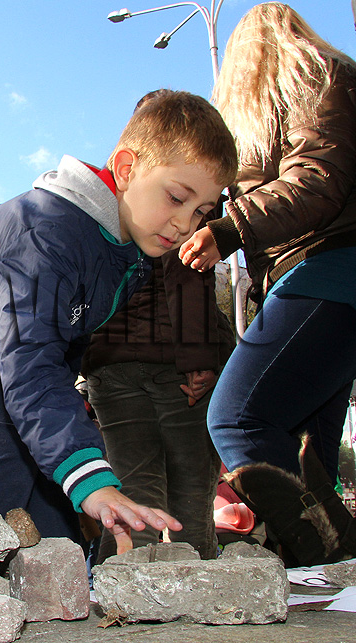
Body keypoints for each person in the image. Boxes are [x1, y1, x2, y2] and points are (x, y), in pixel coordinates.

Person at [0, 90, 238, 550]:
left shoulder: (132, 249)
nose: (186, 224)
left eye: (201, 211)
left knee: (51, 469)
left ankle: (60, 569)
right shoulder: (48, 236)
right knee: (6, 457)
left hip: (10, 340)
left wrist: (73, 451)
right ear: (126, 169)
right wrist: (91, 479)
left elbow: (72, 335)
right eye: (177, 198)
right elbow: (32, 364)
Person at [179, 3, 356, 566]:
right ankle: (331, 576)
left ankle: (325, 552)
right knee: (309, 457)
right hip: (318, 278)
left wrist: (229, 228)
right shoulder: (320, 86)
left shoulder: (314, 78)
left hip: (328, 268)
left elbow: (317, 179)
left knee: (236, 418)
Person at [84, 242, 235, 562]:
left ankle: (119, 588)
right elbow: (188, 265)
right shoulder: (179, 209)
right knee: (190, 493)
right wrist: (199, 356)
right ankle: (195, 588)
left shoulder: (88, 212)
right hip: (173, 358)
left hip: (108, 356)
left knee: (131, 494)